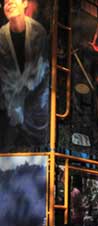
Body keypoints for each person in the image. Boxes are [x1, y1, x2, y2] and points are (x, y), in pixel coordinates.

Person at [0, 0, 49, 151]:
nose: (9, 3)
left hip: (35, 104)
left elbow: (39, 71)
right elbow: (4, 75)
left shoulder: (38, 31)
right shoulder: (1, 35)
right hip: (9, 106)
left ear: (25, 3)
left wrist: (22, 97)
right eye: (6, 1)